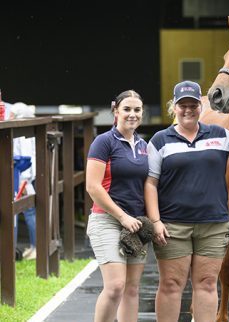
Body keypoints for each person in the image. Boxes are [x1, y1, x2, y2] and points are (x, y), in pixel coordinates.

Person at [145, 80, 229, 321]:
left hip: (213, 225)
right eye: (182, 105)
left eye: (193, 104)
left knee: (207, 284)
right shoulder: (160, 140)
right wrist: (155, 221)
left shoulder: (218, 134)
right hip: (173, 225)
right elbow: (150, 183)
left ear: (201, 106)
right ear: (174, 107)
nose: (188, 109)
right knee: (171, 284)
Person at [85, 90, 148, 322]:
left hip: (137, 224)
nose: (132, 114)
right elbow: (93, 187)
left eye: (137, 110)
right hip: (107, 221)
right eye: (127, 109)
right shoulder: (103, 142)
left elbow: (148, 186)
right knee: (115, 287)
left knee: (132, 289)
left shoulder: (143, 145)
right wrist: (122, 217)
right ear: (116, 111)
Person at [11, 103, 37, 260]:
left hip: (23, 177)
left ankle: (36, 247)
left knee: (30, 212)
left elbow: (27, 157)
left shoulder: (23, 132)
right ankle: (34, 247)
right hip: (23, 176)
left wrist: (24, 180)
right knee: (29, 212)